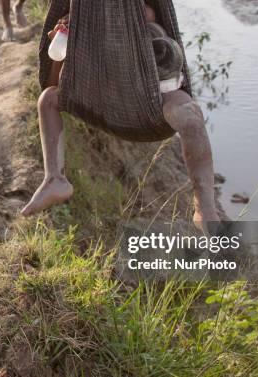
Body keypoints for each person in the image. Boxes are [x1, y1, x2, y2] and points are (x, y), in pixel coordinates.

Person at [21, 6, 221, 234]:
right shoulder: (81, 19)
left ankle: (204, 207)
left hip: (153, 99)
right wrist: (65, 35)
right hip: (104, 99)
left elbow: (149, 15)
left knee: (191, 118)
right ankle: (54, 178)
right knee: (48, 99)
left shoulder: (144, 14)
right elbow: (52, 82)